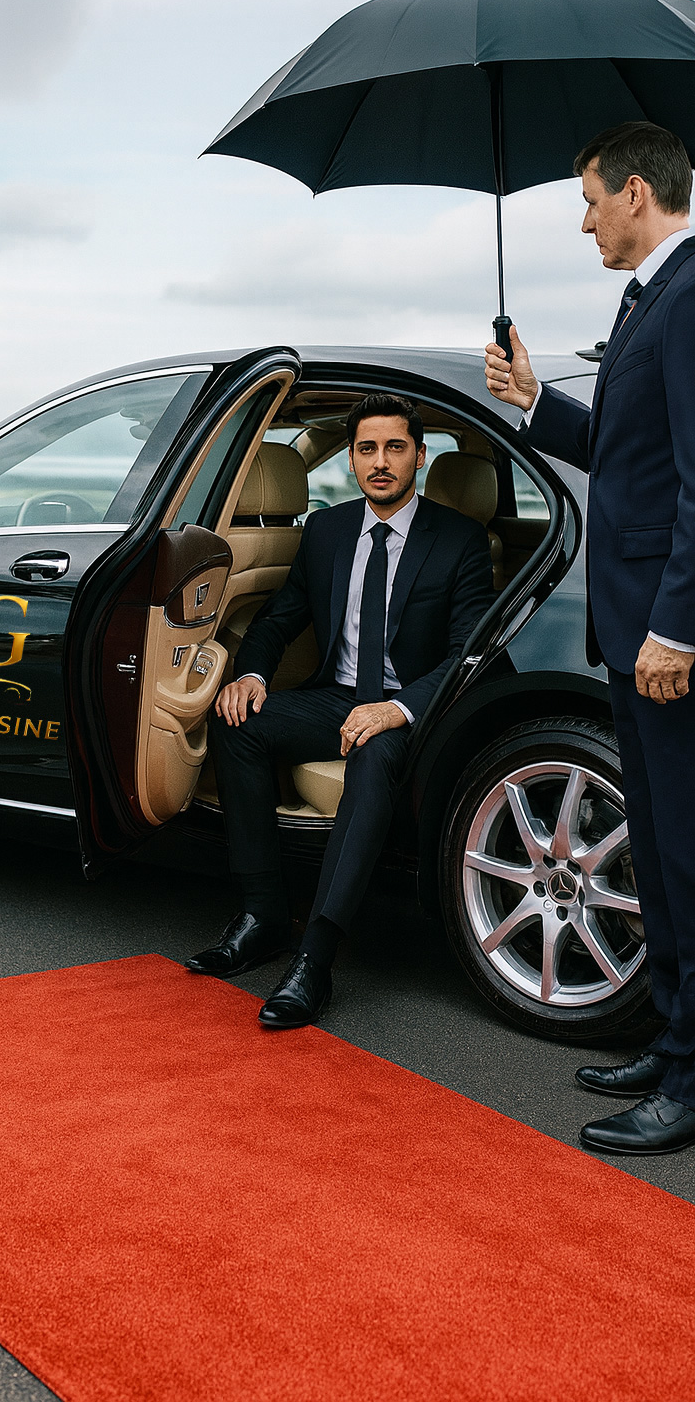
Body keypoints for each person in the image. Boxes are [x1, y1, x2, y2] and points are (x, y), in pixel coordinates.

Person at [484, 120, 695, 1156]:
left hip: (662, 639)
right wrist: (533, 403)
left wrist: (675, 628)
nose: (582, 221)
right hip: (627, 628)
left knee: (687, 857)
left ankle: (690, 1080)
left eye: (590, 201)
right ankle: (672, 1036)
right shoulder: (643, 298)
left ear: (638, 194)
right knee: (655, 855)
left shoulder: (691, 297)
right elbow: (621, 453)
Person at [184, 393, 493, 1028]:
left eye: (395, 448)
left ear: (420, 457)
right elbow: (280, 618)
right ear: (352, 460)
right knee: (237, 723)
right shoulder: (326, 531)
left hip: (417, 711)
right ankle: (263, 914)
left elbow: (468, 655)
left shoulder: (459, 540)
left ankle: (315, 959)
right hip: (339, 696)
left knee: (377, 754)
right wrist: (249, 673)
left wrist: (396, 709)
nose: (381, 462)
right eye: (367, 449)